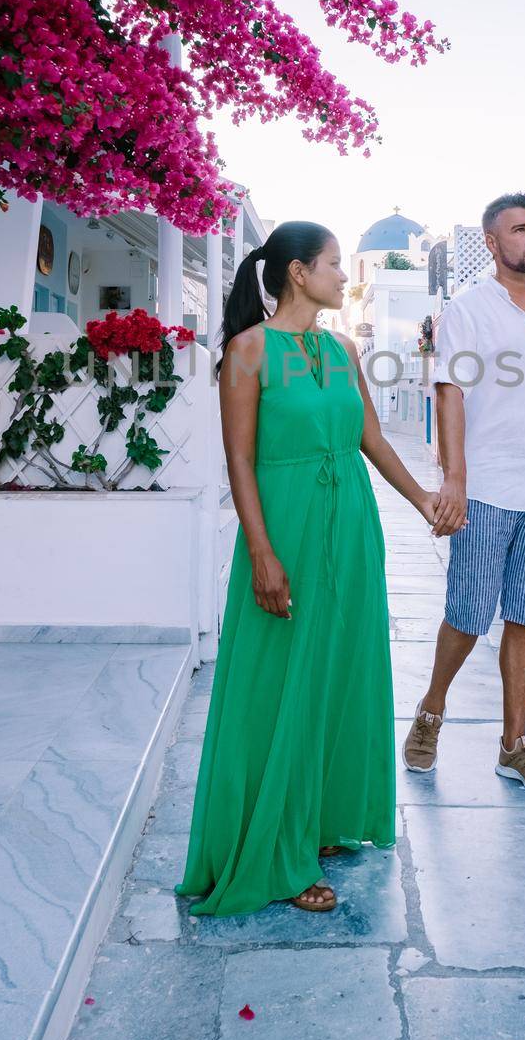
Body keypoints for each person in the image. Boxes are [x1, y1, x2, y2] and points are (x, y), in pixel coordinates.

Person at [176, 221, 439, 915]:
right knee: (279, 680)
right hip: (284, 522)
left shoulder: (342, 347)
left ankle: (319, 819)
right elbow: (238, 458)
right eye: (331, 264)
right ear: (297, 271)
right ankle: (278, 850)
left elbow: (370, 437)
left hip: (349, 522)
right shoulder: (247, 350)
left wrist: (421, 501)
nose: (342, 277)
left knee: (337, 668)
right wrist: (262, 551)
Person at [403, 192, 525, 793]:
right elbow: (450, 394)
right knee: (468, 611)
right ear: (491, 243)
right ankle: (431, 711)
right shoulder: (466, 310)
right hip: (488, 483)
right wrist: (454, 479)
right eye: (519, 229)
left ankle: (514, 745)